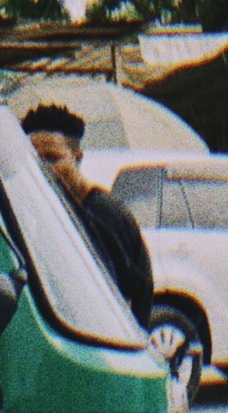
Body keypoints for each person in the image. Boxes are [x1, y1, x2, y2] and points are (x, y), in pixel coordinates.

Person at [20, 103, 154, 321]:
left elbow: (134, 296)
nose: (44, 169)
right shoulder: (46, 211)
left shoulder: (107, 216)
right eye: (36, 160)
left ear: (77, 158)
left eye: (53, 158)